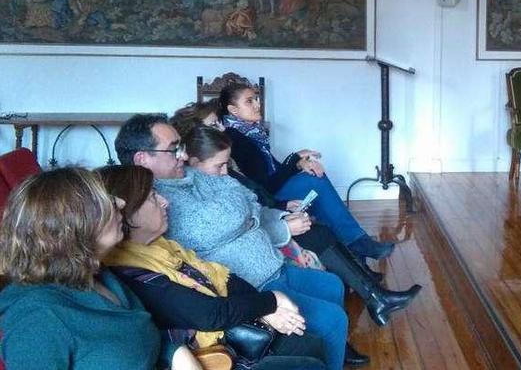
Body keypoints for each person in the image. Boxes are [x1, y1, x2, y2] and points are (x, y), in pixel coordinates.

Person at [114, 114, 367, 369]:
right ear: (141, 159)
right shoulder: (155, 201)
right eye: (173, 149)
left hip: (267, 265)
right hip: (251, 281)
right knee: (333, 318)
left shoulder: (188, 176)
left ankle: (334, 347)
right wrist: (242, 216)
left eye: (181, 146)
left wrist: (244, 218)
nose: (182, 154)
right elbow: (217, 222)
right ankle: (331, 343)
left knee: (332, 285)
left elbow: (248, 196)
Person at [183, 124, 421, 326]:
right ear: (193, 160)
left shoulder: (239, 148)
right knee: (317, 221)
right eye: (249, 100)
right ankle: (371, 284)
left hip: (270, 215)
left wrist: (284, 201)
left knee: (319, 224)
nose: (220, 127)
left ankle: (372, 290)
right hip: (263, 237)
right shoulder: (223, 164)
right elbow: (253, 202)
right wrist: (283, 217)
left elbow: (255, 201)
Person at [98, 165, 328, 370]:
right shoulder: (133, 273)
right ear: (128, 213)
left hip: (231, 327)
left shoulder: (162, 246)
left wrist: (267, 311)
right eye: (152, 197)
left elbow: (224, 278)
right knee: (309, 357)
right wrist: (272, 301)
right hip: (215, 352)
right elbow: (209, 315)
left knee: (311, 342)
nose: (164, 201)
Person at [0, 168, 161, 369]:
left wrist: (177, 353)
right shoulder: (38, 320)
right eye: (107, 201)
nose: (121, 202)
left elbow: (141, 335)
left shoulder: (99, 276)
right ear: (75, 225)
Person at [217, 83, 395, 260]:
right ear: (233, 109)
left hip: (271, 188)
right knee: (315, 182)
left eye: (256, 99)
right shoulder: (237, 138)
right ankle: (357, 245)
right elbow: (266, 184)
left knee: (315, 182)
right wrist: (296, 161)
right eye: (249, 101)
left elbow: (274, 169)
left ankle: (355, 253)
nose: (257, 104)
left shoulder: (250, 132)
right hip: (266, 198)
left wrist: (300, 161)